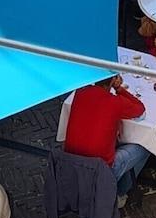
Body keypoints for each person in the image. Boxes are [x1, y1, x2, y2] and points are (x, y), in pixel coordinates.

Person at [63, 72, 149, 204]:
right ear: (113, 79)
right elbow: (139, 109)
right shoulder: (114, 102)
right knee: (145, 145)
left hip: (72, 162)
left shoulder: (80, 93)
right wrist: (119, 89)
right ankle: (120, 193)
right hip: (101, 168)